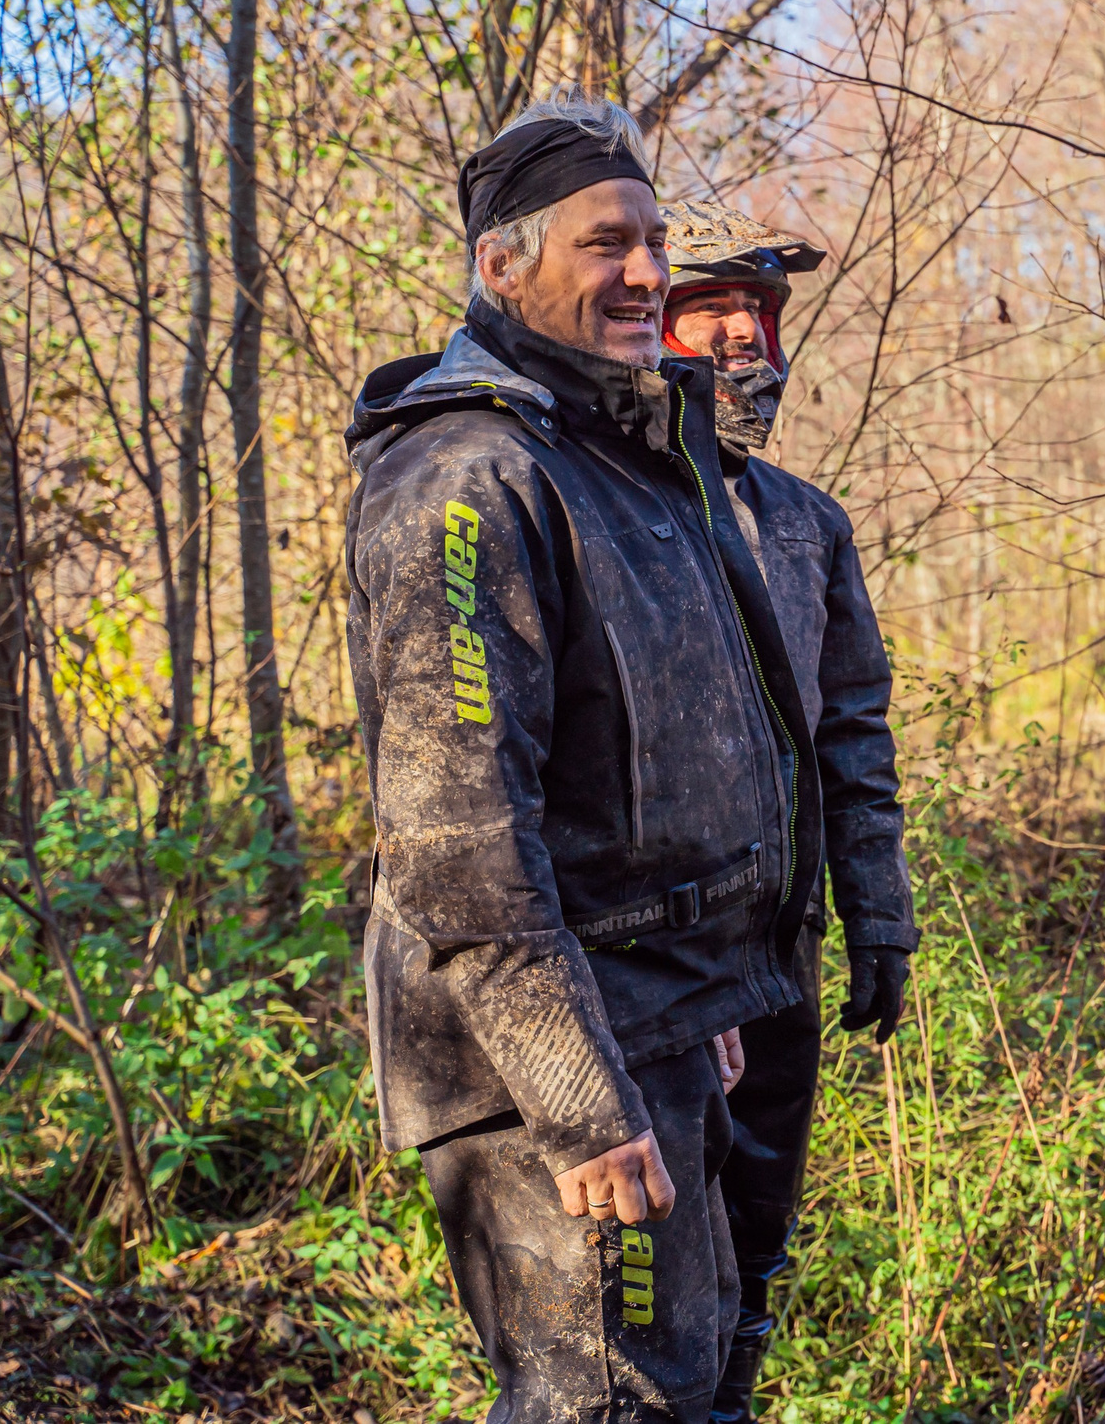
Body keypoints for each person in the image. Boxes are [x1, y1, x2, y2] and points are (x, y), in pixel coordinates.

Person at [344, 91, 825, 1423]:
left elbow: (651, 778)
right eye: (605, 242)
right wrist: (581, 1092)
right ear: (501, 263)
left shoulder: (618, 454)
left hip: (654, 1016)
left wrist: (701, 993)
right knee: (608, 1404)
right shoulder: (467, 471)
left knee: (691, 1377)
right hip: (545, 1056)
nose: (647, 273)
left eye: (654, 240)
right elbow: (457, 844)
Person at [656, 199, 915, 1421]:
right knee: (653, 1262)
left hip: (783, 945)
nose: (741, 346)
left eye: (754, 319)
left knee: (758, 1228)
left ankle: (732, 1400)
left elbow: (852, 730)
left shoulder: (810, 525)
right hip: (648, 961)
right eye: (709, 316)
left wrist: (879, 917)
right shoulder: (617, 517)